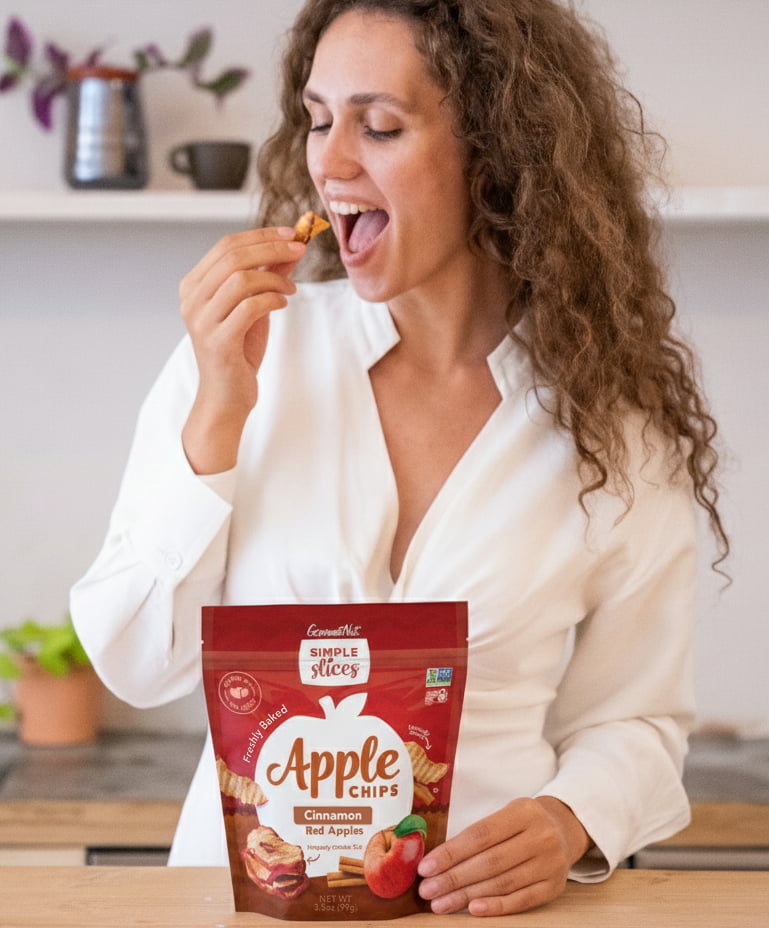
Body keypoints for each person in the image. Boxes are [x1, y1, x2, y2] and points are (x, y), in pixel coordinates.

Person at [71, 0, 729, 917]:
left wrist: (572, 821)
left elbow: (639, 720)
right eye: (317, 120)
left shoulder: (610, 431)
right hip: (243, 905)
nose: (330, 165)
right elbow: (135, 663)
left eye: (379, 126)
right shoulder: (249, 360)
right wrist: (217, 414)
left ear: (496, 154)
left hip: (477, 911)